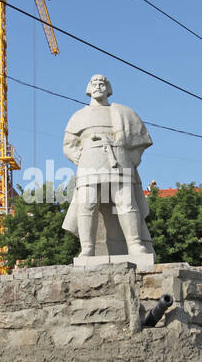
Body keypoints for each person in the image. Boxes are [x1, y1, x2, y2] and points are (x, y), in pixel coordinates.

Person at [61, 74, 155, 263]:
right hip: (90, 161)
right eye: (94, 83)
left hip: (118, 160)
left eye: (102, 83)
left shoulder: (123, 112)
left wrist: (133, 158)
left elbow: (142, 141)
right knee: (88, 204)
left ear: (108, 87)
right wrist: (75, 155)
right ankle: (87, 248)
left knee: (126, 202)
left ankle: (135, 245)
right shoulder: (79, 116)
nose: (98, 86)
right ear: (89, 88)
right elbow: (68, 145)